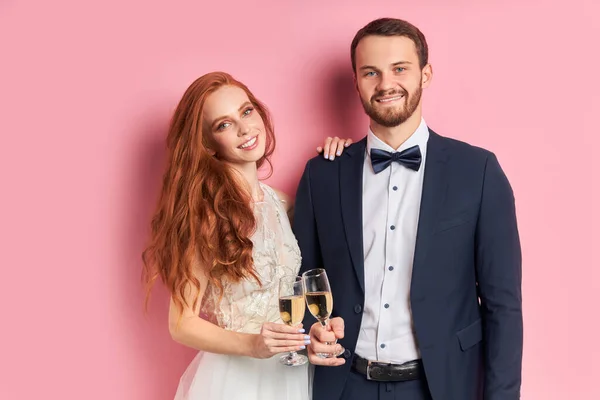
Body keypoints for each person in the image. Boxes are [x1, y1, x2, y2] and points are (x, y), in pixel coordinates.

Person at [293, 18, 523, 400]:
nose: (386, 85)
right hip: (345, 385)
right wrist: (309, 334)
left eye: (400, 69)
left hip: (442, 386)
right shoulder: (322, 175)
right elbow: (300, 280)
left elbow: (504, 307)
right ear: (356, 82)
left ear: (425, 74)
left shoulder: (478, 172)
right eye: (371, 72)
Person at [141, 71, 351, 400]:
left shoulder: (284, 204)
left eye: (246, 111)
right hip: (236, 380)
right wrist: (252, 345)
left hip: (291, 374)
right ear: (208, 144)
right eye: (223, 125)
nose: (244, 129)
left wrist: (343, 159)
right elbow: (181, 323)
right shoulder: (207, 216)